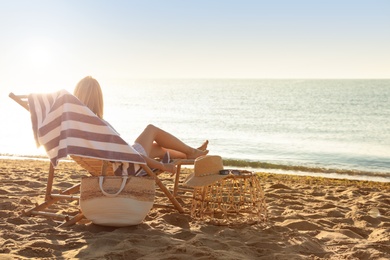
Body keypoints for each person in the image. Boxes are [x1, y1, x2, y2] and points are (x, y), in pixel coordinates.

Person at [73, 76, 209, 175]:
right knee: (152, 129)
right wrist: (162, 166)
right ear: (98, 99)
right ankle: (192, 152)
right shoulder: (99, 126)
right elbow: (130, 155)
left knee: (159, 149)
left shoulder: (77, 127)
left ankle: (190, 153)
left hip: (115, 167)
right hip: (127, 168)